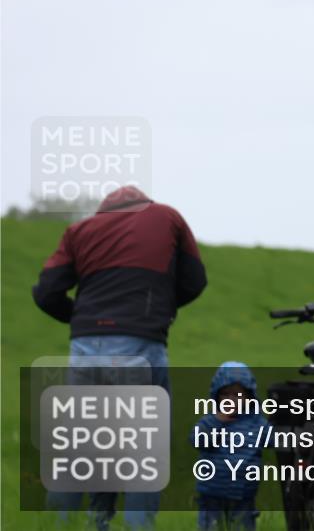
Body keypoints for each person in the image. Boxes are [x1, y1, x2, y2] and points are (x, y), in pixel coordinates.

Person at [32, 186, 207, 530]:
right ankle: (136, 526)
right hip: (140, 344)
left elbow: (46, 292)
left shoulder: (79, 231)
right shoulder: (167, 218)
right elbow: (195, 281)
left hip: (86, 349)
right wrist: (157, 310)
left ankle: (63, 523)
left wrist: (81, 318)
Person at [191, 362, 269, 531]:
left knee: (243, 525)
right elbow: (197, 440)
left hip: (243, 493)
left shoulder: (257, 423)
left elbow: (276, 439)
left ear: (249, 397)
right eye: (225, 394)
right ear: (217, 396)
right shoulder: (211, 420)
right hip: (212, 491)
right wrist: (216, 421)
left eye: (237, 394)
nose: (231, 399)